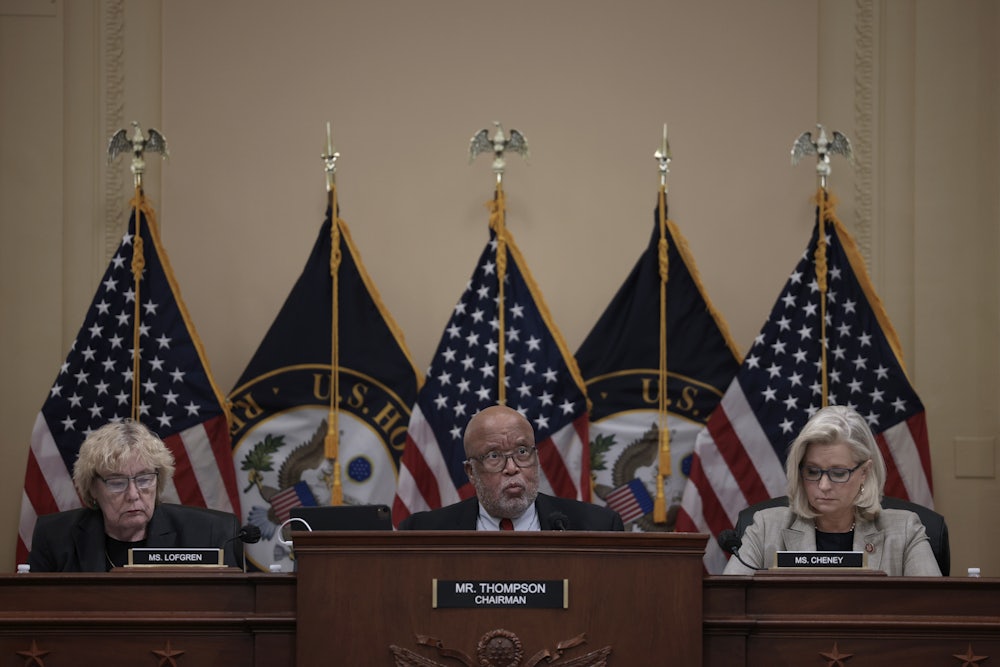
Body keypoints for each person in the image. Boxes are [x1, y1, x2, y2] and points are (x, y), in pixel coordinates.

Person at [723, 405, 940, 576]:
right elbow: (729, 606)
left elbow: (933, 612)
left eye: (838, 473)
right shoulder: (764, 529)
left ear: (865, 471)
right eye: (813, 471)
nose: (824, 485)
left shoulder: (905, 532)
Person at [28, 420, 242, 571]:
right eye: (117, 482)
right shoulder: (55, 538)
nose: (133, 494)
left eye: (144, 479)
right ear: (92, 488)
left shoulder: (211, 535)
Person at [398, 405, 624, 531]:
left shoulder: (598, 526)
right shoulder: (423, 532)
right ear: (471, 472)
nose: (512, 468)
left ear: (536, 458)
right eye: (494, 456)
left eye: (522, 452)